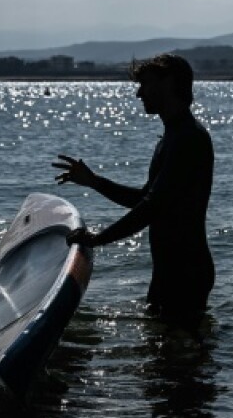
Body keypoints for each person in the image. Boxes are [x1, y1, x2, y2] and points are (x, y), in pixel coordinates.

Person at [52, 53, 214, 331]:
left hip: (185, 273)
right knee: (167, 360)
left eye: (146, 85)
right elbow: (145, 199)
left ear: (169, 83)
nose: (139, 93)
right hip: (173, 270)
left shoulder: (188, 139)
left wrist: (97, 239)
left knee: (178, 366)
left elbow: (152, 207)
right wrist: (95, 182)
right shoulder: (174, 136)